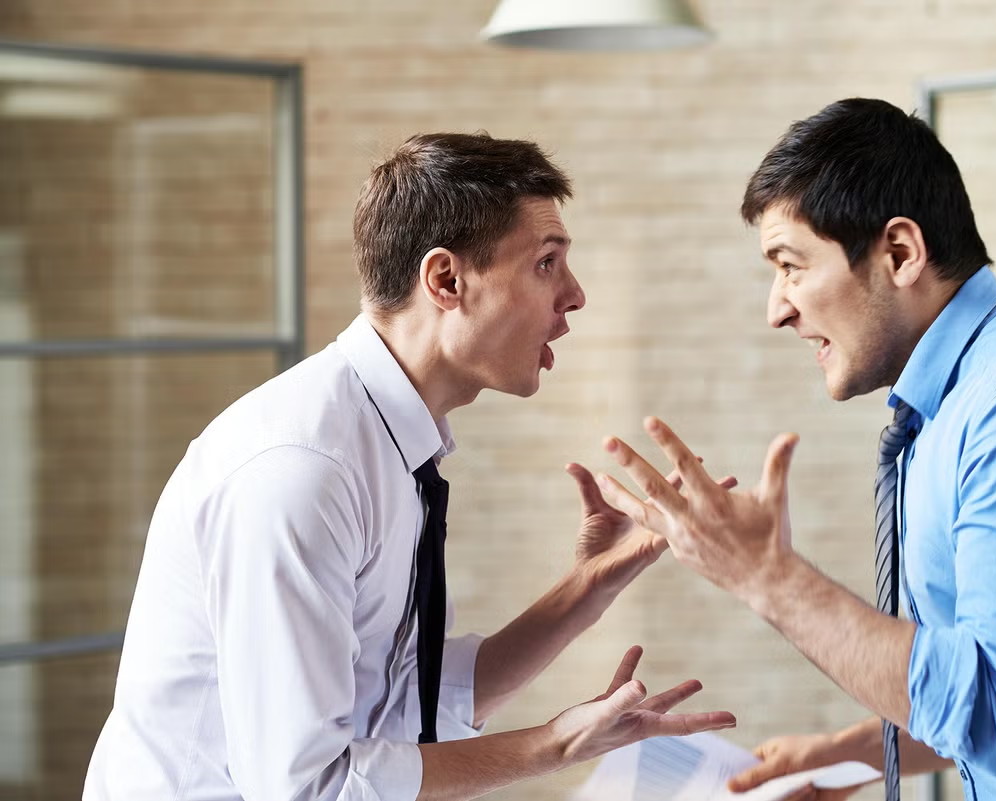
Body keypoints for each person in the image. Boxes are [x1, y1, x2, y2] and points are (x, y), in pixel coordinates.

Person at [83, 132, 735, 801]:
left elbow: (412, 699)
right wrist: (557, 744)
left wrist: (590, 585)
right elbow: (309, 786)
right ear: (446, 280)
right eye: (546, 263)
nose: (575, 295)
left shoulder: (390, 445)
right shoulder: (303, 472)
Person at [593, 98, 996, 800]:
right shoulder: (950, 408)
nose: (777, 307)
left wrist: (769, 576)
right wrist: (842, 756)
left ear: (901, 253)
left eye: (791, 265)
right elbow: (983, 675)